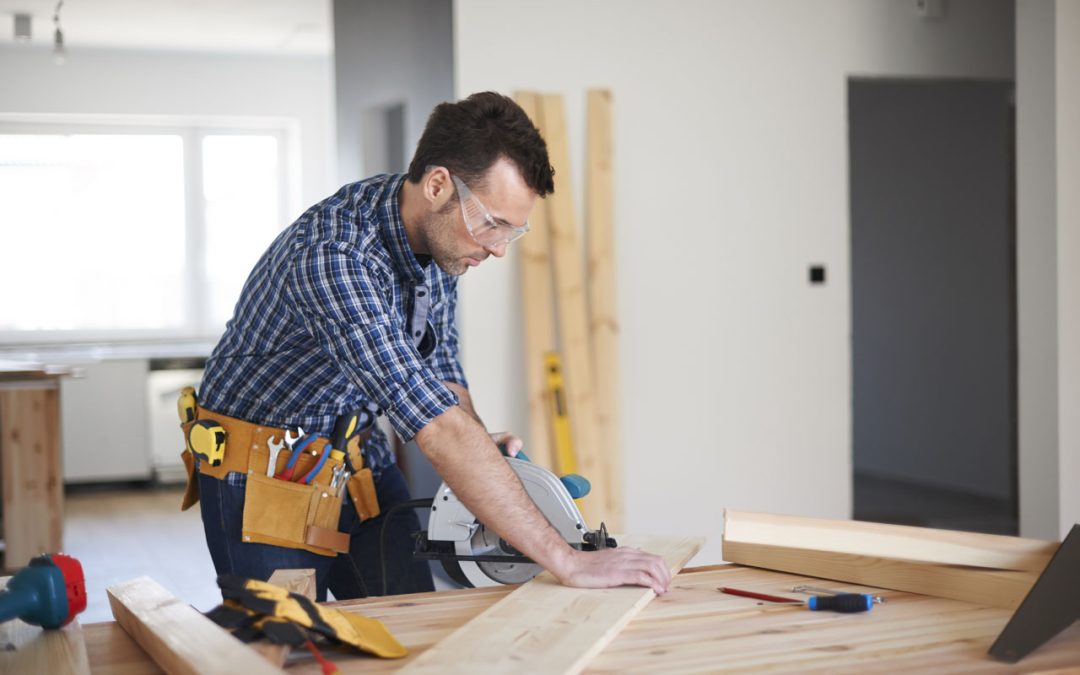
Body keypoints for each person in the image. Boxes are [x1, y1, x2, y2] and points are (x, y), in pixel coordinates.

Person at [188, 91, 671, 601]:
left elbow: (443, 381)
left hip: (352, 456)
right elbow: (435, 426)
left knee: (411, 622)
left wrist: (491, 457)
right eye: (493, 223)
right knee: (283, 646)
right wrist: (566, 561)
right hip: (264, 475)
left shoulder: (440, 245)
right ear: (439, 184)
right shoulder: (333, 256)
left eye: (515, 230)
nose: (499, 248)